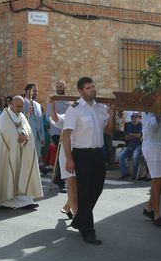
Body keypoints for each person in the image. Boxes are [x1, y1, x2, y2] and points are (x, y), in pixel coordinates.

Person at [61, 77, 114, 245]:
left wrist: (111, 114)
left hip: (98, 153)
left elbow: (108, 131)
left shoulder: (101, 108)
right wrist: (69, 159)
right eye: (88, 88)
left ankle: (79, 219)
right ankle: (88, 231)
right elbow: (66, 135)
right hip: (81, 154)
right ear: (80, 91)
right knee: (83, 192)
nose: (92, 89)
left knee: (97, 189)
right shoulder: (74, 109)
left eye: (93, 86)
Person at [0, 96, 43, 209]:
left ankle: (24, 199)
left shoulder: (22, 116)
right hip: (8, 153)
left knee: (22, 172)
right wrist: (17, 136)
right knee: (8, 174)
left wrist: (24, 134)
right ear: (11, 105)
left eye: (21, 106)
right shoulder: (4, 117)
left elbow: (28, 129)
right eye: (18, 106)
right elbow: (5, 133)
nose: (20, 108)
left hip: (21, 151)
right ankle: (7, 199)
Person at [141, 112, 161, 228]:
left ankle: (149, 207)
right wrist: (158, 113)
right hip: (152, 145)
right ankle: (157, 216)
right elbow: (151, 128)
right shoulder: (147, 110)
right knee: (157, 179)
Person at [48, 104, 78, 221]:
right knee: (71, 182)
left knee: (78, 183)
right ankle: (76, 214)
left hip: (81, 153)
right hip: (67, 153)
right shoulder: (66, 117)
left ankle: (67, 206)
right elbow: (55, 119)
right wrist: (53, 105)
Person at [23, 83, 45, 164]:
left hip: (38, 139)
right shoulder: (21, 103)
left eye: (37, 91)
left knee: (35, 161)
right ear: (28, 91)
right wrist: (27, 113)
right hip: (27, 136)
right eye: (34, 91)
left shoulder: (38, 105)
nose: (36, 93)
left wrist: (42, 137)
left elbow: (40, 121)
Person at [118, 112, 143, 180]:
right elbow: (126, 138)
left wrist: (131, 134)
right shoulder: (128, 125)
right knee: (120, 156)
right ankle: (125, 173)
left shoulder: (141, 125)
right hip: (129, 145)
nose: (133, 119)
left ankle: (134, 175)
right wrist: (135, 135)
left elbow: (140, 136)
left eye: (135, 118)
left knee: (135, 156)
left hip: (138, 145)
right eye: (132, 118)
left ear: (139, 118)